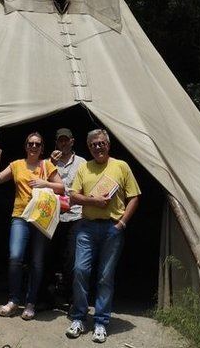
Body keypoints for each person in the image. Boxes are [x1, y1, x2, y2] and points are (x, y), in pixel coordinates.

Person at [65, 129, 140, 344]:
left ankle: (100, 322)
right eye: (93, 144)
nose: (98, 147)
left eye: (101, 143)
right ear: (88, 147)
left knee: (105, 276)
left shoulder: (121, 166)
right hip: (87, 227)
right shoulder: (84, 168)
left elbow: (134, 196)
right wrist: (93, 201)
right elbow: (73, 196)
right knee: (80, 270)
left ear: (108, 144)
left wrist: (122, 223)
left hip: (111, 228)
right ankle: (79, 317)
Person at [0, 132, 65, 320]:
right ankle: (14, 299)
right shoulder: (17, 165)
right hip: (20, 215)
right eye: (31, 143)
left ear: (42, 148)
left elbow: (62, 188)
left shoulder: (46, 165)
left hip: (40, 217)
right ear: (26, 146)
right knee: (15, 257)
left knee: (37, 261)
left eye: (37, 144)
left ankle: (31, 302)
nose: (34, 146)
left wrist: (43, 182)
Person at [46, 127, 86, 307]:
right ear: (56, 143)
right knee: (49, 257)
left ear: (72, 141)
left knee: (71, 259)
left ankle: (72, 301)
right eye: (60, 140)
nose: (63, 143)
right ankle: (47, 298)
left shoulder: (82, 163)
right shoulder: (49, 162)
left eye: (66, 140)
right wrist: (50, 164)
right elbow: (41, 184)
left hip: (75, 215)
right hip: (52, 215)